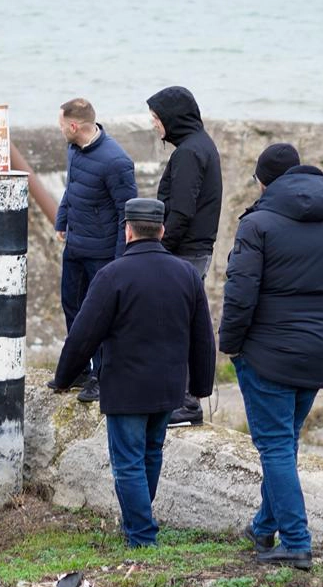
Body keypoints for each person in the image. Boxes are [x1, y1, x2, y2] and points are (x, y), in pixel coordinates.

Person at [219, 144, 323, 570]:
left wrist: (230, 344)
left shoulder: (257, 225)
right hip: (314, 356)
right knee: (284, 444)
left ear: (266, 181)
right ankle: (263, 526)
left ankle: (297, 540)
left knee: (276, 447)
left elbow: (240, 293)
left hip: (266, 356)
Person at [49, 197, 215, 547]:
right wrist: (200, 385)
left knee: (127, 464)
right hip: (168, 387)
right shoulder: (186, 273)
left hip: (126, 387)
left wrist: (64, 377)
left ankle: (141, 535)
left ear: (127, 231)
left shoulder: (113, 276)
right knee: (151, 454)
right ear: (162, 231)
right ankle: (137, 525)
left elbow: (83, 335)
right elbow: (202, 337)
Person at [145, 85, 223, 426]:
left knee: (180, 325)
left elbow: (182, 212)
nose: (154, 125)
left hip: (185, 251)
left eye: (157, 118)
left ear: (173, 119)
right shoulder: (198, 146)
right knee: (184, 322)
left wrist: (158, 249)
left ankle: (188, 403)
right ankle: (182, 398)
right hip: (192, 250)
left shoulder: (190, 153)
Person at [54, 98, 137, 403]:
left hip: (102, 254)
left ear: (74, 126)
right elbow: (72, 189)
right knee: (71, 307)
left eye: (61, 124)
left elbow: (125, 214)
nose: (60, 128)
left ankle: (101, 377)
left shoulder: (116, 161)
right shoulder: (74, 150)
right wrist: (62, 220)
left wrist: (119, 261)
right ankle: (77, 370)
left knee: (101, 317)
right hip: (75, 246)